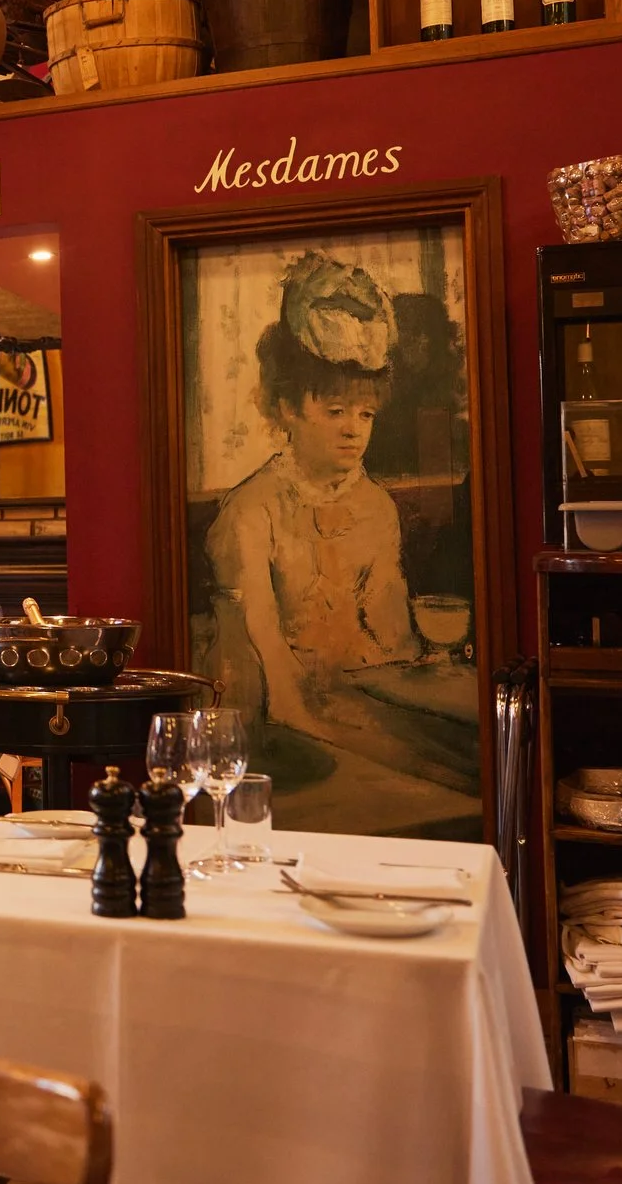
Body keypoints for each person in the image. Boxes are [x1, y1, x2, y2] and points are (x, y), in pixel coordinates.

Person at [203, 253, 475, 808]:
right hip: (278, 737)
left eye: (366, 415)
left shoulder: (376, 506)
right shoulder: (249, 513)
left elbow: (393, 646)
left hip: (363, 704)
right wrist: (418, 761)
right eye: (335, 411)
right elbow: (278, 689)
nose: (354, 430)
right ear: (287, 409)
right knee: (442, 785)